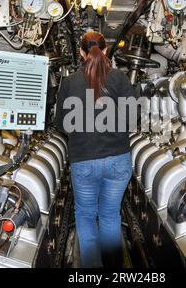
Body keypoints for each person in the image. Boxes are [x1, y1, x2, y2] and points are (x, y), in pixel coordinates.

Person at [55, 31, 138, 268]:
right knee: (111, 215)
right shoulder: (120, 78)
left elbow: (60, 123)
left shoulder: (69, 82)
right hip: (118, 161)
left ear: (81, 53)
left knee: (86, 216)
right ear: (104, 51)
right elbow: (134, 117)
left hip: (83, 161)